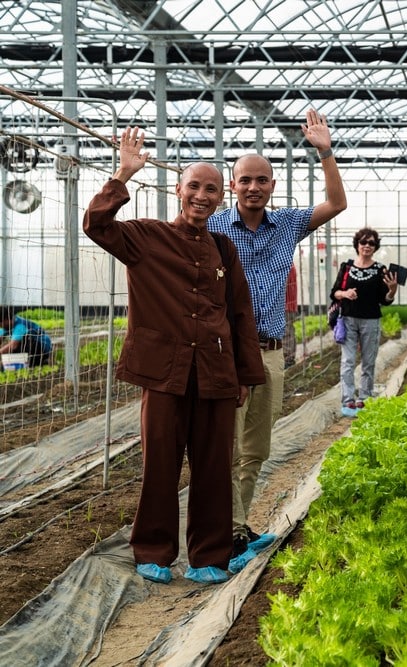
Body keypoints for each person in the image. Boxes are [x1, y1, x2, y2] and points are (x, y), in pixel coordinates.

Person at [83, 126, 266, 585]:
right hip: (163, 373)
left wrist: (245, 375)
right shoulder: (146, 238)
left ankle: (208, 555)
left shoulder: (224, 249)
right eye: (193, 187)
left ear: (221, 198)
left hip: (215, 374)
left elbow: (241, 314)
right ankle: (153, 550)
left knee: (213, 468)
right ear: (178, 190)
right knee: (159, 466)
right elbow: (96, 225)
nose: (201, 196)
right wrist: (123, 174)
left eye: (211, 190)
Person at [207, 109, 347, 572]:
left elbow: (336, 203)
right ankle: (219, 533)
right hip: (223, 354)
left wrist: (324, 151)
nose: (253, 187)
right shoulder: (212, 227)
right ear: (233, 185)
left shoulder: (286, 224)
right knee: (222, 444)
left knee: (256, 447)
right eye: (245, 179)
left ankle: (237, 524)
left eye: (261, 180)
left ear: (271, 186)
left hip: (269, 353)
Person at [332, 228, 398, 418]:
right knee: (348, 360)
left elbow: (384, 299)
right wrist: (345, 293)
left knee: (368, 361)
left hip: (371, 321)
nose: (367, 246)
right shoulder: (347, 267)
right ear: (357, 245)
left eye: (371, 243)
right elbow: (334, 292)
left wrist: (392, 290)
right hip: (348, 320)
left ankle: (365, 398)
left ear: (375, 246)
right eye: (363, 242)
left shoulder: (380, 270)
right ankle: (348, 400)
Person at [283, 263, 298, 368]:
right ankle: (289, 357)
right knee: (288, 330)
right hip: (289, 304)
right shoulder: (289, 264)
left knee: (287, 331)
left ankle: (288, 359)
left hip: (286, 305)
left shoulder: (287, 265)